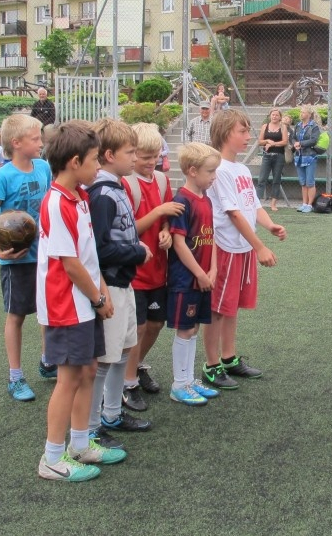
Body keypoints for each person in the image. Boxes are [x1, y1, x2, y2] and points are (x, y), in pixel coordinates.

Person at [36, 120, 122, 482]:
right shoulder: (57, 202)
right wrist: (99, 296)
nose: (98, 167)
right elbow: (70, 264)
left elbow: (87, 257)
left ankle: (80, 444)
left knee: (87, 370)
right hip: (66, 303)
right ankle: (52, 458)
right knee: (68, 378)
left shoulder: (80, 197)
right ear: (74, 162)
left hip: (84, 300)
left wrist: (99, 290)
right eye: (92, 160)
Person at [201, 109, 287, 390]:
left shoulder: (241, 169)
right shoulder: (220, 169)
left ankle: (229, 357)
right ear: (227, 134)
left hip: (241, 247)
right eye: (243, 131)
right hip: (225, 246)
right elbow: (234, 214)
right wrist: (259, 246)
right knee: (216, 308)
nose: (249, 137)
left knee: (231, 306)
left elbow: (252, 206)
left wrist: (270, 225)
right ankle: (211, 365)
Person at [85, 119, 153, 445]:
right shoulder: (101, 194)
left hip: (124, 283)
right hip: (110, 284)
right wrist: (135, 252)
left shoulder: (117, 187)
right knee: (105, 358)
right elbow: (98, 249)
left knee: (124, 349)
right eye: (130, 152)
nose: (135, 157)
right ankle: (92, 423)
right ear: (109, 154)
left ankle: (112, 412)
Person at [0, 114, 53, 402]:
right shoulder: (3, 176)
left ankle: (48, 362)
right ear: (16, 143)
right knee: (17, 316)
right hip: (17, 260)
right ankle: (15, 376)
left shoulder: (44, 167)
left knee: (47, 312)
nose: (40, 143)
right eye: (35, 139)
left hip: (44, 256)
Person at [121, 123, 185, 412]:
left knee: (156, 324)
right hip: (134, 271)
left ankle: (136, 365)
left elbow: (168, 215)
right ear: (132, 154)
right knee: (139, 326)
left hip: (159, 267)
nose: (150, 162)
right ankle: (128, 382)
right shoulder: (125, 183)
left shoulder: (161, 180)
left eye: (155, 156)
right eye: (144, 156)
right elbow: (126, 230)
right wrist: (158, 214)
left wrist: (167, 229)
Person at [166, 142, 222, 406]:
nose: (214, 177)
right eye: (210, 171)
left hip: (202, 278)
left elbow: (209, 238)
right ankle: (179, 384)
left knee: (195, 327)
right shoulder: (181, 201)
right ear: (191, 171)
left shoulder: (206, 200)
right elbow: (179, 243)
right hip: (185, 279)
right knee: (185, 329)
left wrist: (212, 269)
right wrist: (200, 273)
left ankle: (188, 380)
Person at [257, 108, 289, 211]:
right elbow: (260, 141)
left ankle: (273, 204)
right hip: (267, 156)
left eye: (276, 115)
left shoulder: (283, 127)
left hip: (279, 156)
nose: (274, 117)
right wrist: (267, 140)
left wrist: (273, 144)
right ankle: (257, 203)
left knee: (276, 180)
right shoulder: (265, 126)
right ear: (270, 116)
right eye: (273, 115)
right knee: (262, 179)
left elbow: (285, 142)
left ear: (280, 117)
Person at [291, 106, 320, 212]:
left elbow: (314, 140)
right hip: (299, 156)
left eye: (303, 112)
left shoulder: (314, 126)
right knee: (303, 182)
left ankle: (309, 204)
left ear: (309, 114)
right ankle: (304, 203)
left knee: (310, 182)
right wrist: (295, 144)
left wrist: (301, 143)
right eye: (301, 112)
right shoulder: (298, 125)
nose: (301, 114)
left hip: (310, 157)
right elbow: (293, 137)